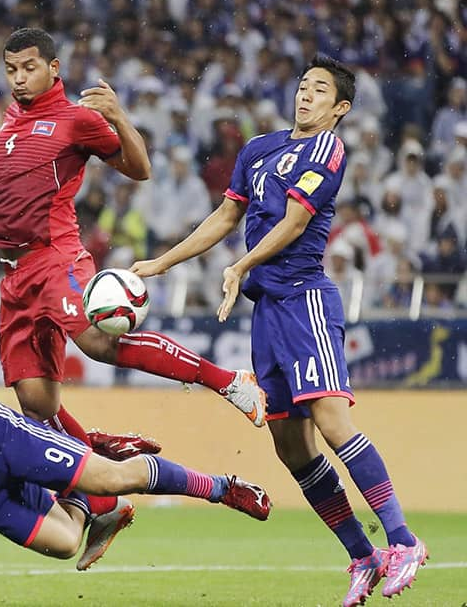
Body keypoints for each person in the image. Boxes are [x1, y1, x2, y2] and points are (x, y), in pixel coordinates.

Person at [132, 55, 428, 607]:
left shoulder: (327, 150)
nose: (306, 95)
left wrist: (241, 266)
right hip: (267, 310)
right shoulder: (258, 149)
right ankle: (361, 555)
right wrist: (163, 263)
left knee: (331, 419)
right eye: (303, 86)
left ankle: (403, 540)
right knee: (290, 445)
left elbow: (294, 222)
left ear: (340, 109)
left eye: (320, 91)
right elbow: (225, 218)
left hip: (305, 297)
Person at [0, 28, 267, 525]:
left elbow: (139, 168)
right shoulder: (14, 118)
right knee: (36, 406)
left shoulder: (75, 119)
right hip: (13, 276)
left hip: (56, 257)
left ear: (54, 68)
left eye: (29, 68)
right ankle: (103, 498)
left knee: (98, 343)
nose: (18, 78)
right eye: (11, 70)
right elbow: (23, 162)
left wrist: (118, 115)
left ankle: (229, 381)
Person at [0, 240, 271, 572]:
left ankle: (221, 487)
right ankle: (84, 473)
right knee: (64, 544)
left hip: (1, 439)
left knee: (116, 476)